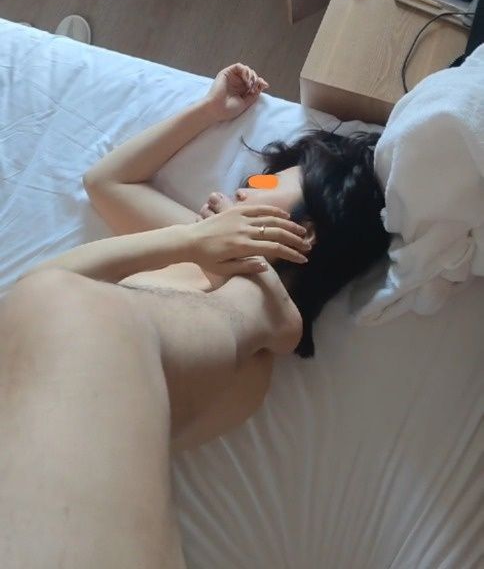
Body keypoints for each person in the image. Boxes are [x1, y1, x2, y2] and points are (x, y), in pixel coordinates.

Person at [0, 63, 388, 569]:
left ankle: (263, 296)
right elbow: (105, 182)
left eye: (266, 182)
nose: (245, 187)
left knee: (58, 302)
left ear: (306, 231)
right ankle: (265, 296)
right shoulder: (195, 243)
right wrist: (208, 112)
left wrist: (191, 242)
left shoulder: (247, 368)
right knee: (59, 303)